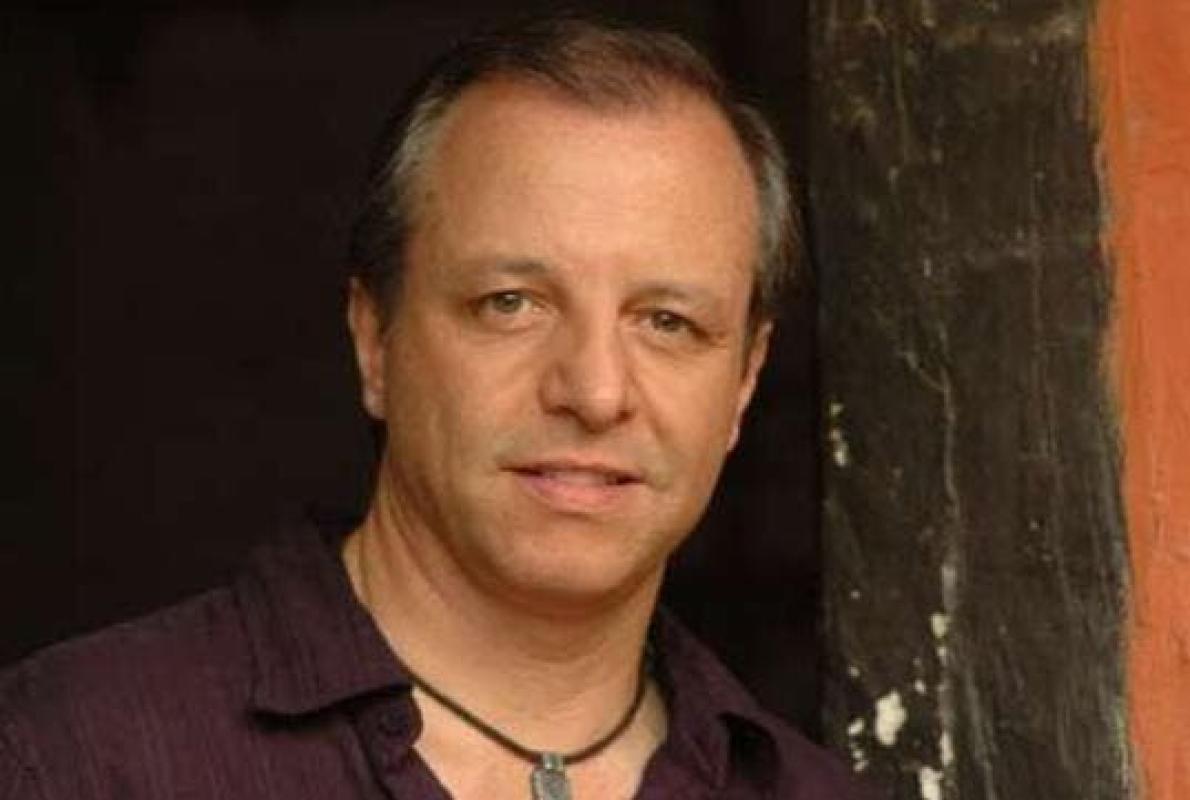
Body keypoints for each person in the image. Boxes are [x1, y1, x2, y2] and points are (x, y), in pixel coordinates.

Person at [1, 18, 872, 800]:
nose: (596, 392)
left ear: (744, 381)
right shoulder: (73, 756)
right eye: (511, 303)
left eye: (668, 322)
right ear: (374, 339)